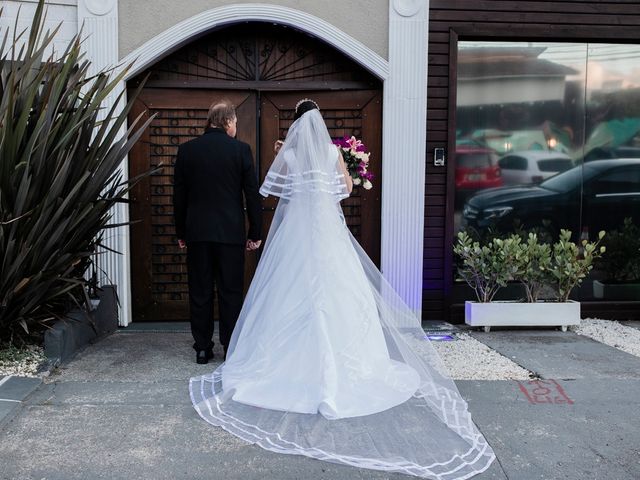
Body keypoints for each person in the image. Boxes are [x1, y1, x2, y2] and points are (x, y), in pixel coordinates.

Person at [189, 100, 495, 478]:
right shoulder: (333, 151)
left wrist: (283, 154)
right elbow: (345, 189)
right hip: (328, 234)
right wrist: (335, 174)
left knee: (279, 292)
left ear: (298, 123)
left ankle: (225, 351)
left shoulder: (288, 151)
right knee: (339, 296)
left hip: (296, 236)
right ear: (319, 121)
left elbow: (272, 188)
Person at [173, 100, 262, 365]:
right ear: (227, 122)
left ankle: (202, 347)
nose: (235, 127)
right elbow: (252, 196)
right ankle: (229, 346)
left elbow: (179, 196)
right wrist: (255, 232)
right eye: (235, 123)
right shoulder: (241, 151)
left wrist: (181, 231)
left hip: (197, 233)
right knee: (230, 291)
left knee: (199, 290)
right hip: (230, 233)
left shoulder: (187, 151)